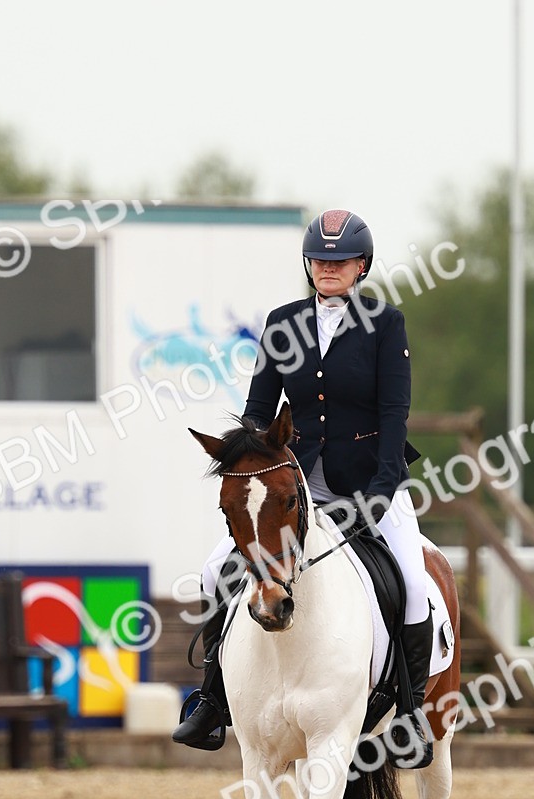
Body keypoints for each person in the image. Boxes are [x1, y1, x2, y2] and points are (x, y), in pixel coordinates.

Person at [172, 209, 432, 760]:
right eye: (319, 260)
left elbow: (394, 414)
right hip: (291, 491)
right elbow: (258, 412)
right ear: (308, 265)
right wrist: (245, 464)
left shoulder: (386, 325)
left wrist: (382, 494)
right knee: (215, 569)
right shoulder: (282, 323)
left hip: (369, 482)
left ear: (361, 265)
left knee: (412, 581)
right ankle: (213, 700)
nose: (328, 268)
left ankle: (409, 713)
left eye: (340, 261)